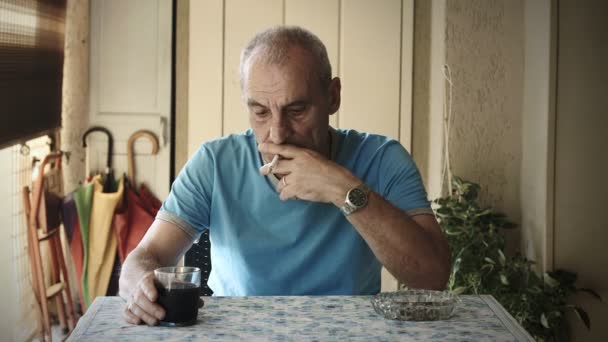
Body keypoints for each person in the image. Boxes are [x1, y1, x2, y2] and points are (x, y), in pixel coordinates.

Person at [119, 26, 451, 325]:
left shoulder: (382, 158)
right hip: (239, 334)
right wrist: (140, 286)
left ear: (332, 97)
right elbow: (144, 258)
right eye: (260, 112)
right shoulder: (214, 162)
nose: (277, 134)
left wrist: (343, 190)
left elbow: (432, 276)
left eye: (296, 110)